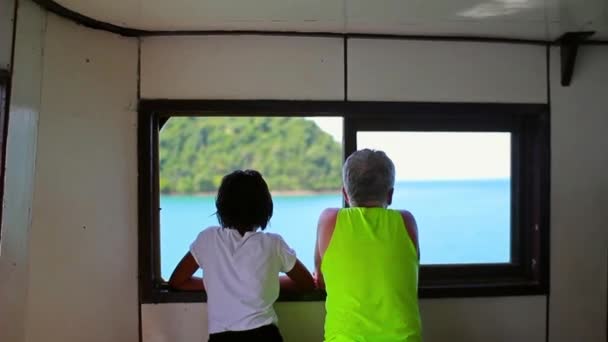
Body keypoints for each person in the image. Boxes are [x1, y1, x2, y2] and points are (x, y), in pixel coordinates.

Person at [169, 169, 314, 342]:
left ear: (222, 207)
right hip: (265, 337)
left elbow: (177, 281)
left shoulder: (207, 239)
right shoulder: (273, 243)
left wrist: (217, 284)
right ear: (265, 208)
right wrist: (266, 285)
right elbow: (307, 283)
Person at [314, 149, 422, 342]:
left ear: (345, 195)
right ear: (390, 195)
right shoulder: (406, 221)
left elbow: (320, 278)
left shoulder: (328, 220)